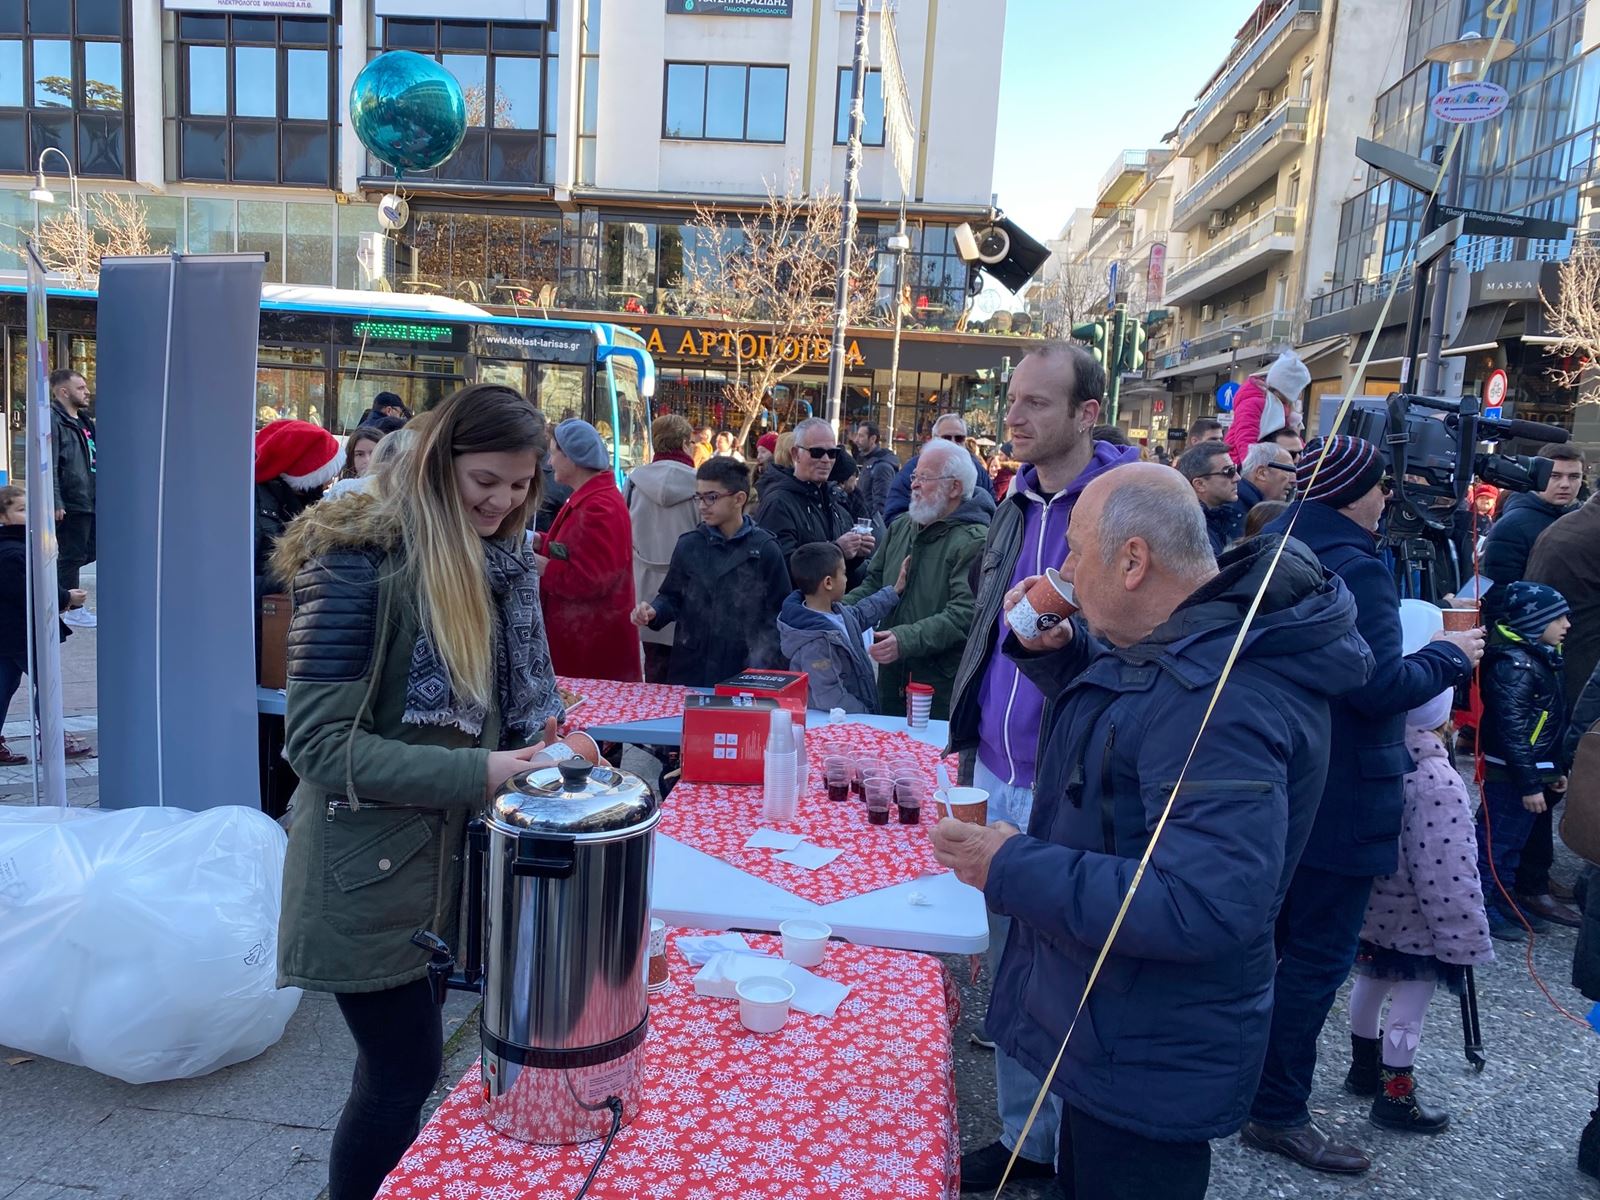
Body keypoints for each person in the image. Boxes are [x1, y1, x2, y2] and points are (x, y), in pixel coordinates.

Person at [931, 464, 1370, 1200]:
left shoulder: (1224, 694)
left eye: (1074, 550)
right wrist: (1063, 656)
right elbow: (1136, 746)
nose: (1063, 572)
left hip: (1153, 1041)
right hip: (1118, 1022)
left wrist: (1009, 863)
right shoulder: (1191, 639)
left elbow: (1202, 901)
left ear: (1133, 561)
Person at [272, 384, 564, 1200]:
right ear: (441, 466)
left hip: (435, 873)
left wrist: (545, 738)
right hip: (361, 873)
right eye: (485, 482)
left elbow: (500, 706)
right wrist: (485, 772)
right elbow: (319, 744)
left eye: (520, 485)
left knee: (400, 1072)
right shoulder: (357, 562)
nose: (503, 502)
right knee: (401, 1078)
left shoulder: (497, 564)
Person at [1244, 435, 1481, 1175]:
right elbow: (1375, 686)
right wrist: (1448, 656)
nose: (1388, 499)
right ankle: (1277, 1110)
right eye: (1381, 486)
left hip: (1279, 776)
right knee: (1316, 959)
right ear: (1352, 492)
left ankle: (1246, 1085)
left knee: (1269, 948)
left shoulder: (1273, 547)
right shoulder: (1361, 569)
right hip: (1347, 792)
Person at [945, 341, 1140, 1190]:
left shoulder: (1130, 506)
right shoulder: (1012, 500)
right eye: (1011, 401)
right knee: (1008, 966)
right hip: (993, 766)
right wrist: (962, 729)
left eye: (1035, 404)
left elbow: (1150, 641)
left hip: (1070, 774)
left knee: (1063, 966)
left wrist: (1076, 642)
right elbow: (989, 626)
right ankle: (1028, 1139)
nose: (1013, 419)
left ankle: (1072, 1145)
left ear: (1087, 413)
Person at [1345, 686, 1492, 1134]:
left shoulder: (1370, 755)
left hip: (1371, 905)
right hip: (1419, 914)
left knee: (1369, 982)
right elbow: (1448, 864)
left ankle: (1363, 1069)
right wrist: (1463, 933)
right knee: (1409, 1001)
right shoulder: (1436, 778)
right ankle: (1396, 1096)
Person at [840, 438, 989, 720]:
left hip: (938, 687)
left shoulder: (974, 541)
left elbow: (965, 615)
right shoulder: (900, 528)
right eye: (914, 476)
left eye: (925, 477)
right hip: (890, 680)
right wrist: (834, 613)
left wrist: (904, 639)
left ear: (955, 487)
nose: (914, 485)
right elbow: (873, 585)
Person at [630, 458, 789, 686]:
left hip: (746, 670)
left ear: (739, 499)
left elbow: (779, 617)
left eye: (711, 497)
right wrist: (653, 611)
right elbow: (672, 596)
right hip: (691, 667)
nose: (702, 505)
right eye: (698, 497)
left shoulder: (765, 549)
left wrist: (770, 668)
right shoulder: (689, 544)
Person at [1475, 581, 1573, 940]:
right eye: (1559, 617)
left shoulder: (1540, 659)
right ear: (1535, 622)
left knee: (1513, 846)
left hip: (1532, 772)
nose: (1567, 625)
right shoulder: (1514, 667)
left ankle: (1501, 899)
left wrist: (1554, 770)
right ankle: (1480, 906)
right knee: (1494, 844)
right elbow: (1513, 732)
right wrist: (1531, 783)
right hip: (1510, 776)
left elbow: (1546, 724)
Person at [535, 419, 641, 682]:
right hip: (585, 642)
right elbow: (576, 549)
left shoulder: (599, 506)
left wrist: (531, 560)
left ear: (572, 457)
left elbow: (590, 580)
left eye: (553, 453)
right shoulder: (594, 496)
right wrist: (536, 541)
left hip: (590, 650)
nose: (549, 462)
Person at [0, 485, 92, 764]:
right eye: (21, 509)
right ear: (3, 516)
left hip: (12, 634)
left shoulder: (18, 545)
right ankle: (53, 741)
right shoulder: (11, 551)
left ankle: (51, 740)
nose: (29, 514)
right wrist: (68, 598)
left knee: (5, 685)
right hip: (22, 632)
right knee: (48, 684)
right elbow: (30, 591)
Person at [777, 541, 906, 713]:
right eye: (844, 573)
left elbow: (861, 613)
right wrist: (866, 714)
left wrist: (894, 591)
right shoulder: (815, 642)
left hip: (856, 719)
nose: (846, 579)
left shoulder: (836, 613)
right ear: (828, 582)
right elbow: (830, 696)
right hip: (841, 724)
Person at [622, 414, 699, 683]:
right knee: (686, 670)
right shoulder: (700, 484)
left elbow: (624, 529)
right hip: (688, 588)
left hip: (643, 581)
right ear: (685, 443)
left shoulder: (634, 480)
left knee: (654, 664)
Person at [755, 417, 875, 588]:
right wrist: (837, 550)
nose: (826, 459)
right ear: (796, 454)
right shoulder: (778, 502)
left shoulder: (831, 499)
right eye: (817, 452)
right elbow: (779, 569)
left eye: (832, 453)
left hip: (824, 609)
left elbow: (836, 575)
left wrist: (855, 553)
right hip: (792, 610)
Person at [254, 419, 345, 600]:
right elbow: (240, 582)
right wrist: (302, 577)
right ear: (305, 475)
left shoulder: (298, 501)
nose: (329, 483)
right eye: (326, 476)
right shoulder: (257, 507)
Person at [1480, 444, 1583, 598]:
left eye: (1574, 476)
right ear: (1538, 475)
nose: (1565, 484)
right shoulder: (1513, 525)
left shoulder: (1584, 520)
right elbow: (1499, 591)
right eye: (1554, 476)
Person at [882, 413, 997, 523]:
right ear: (933, 439)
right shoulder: (913, 467)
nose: (953, 442)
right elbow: (893, 514)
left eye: (959, 438)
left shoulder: (978, 470)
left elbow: (990, 508)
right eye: (946, 438)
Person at [49, 369, 97, 629]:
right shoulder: (55, 421)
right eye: (80, 387)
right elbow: (53, 463)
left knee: (85, 552)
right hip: (73, 500)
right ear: (63, 391)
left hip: (90, 499)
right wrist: (57, 500)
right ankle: (72, 607)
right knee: (72, 555)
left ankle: (51, 591)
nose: (87, 391)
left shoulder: (85, 422)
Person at [1225, 351, 1309, 465]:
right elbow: (1246, 440)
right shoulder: (1254, 403)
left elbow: (1290, 439)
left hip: (1266, 464)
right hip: (1243, 465)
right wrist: (1254, 470)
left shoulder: (1279, 406)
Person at [1176, 441, 1242, 555]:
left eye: (1235, 469)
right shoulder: (1191, 531)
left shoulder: (1221, 518)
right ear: (1200, 484)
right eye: (1229, 471)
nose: (1237, 477)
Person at [850, 421, 900, 519]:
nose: (856, 440)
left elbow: (881, 505)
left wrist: (874, 528)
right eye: (857, 436)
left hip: (871, 527)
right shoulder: (869, 461)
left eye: (861, 436)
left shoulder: (881, 466)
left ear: (873, 439)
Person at [1236, 442, 1297, 513]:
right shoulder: (1236, 512)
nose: (1293, 480)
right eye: (1288, 470)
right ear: (1261, 473)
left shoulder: (1248, 507)